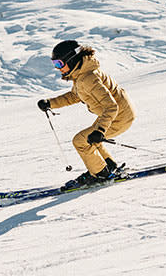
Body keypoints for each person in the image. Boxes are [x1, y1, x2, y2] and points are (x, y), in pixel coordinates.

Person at [36, 40, 135, 189]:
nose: (58, 68)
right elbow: (75, 96)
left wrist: (100, 130)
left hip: (118, 117)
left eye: (59, 64)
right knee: (90, 139)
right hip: (117, 115)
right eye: (55, 64)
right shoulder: (81, 75)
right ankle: (108, 165)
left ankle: (100, 174)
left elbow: (111, 106)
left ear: (72, 59)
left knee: (81, 141)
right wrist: (50, 103)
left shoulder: (88, 78)